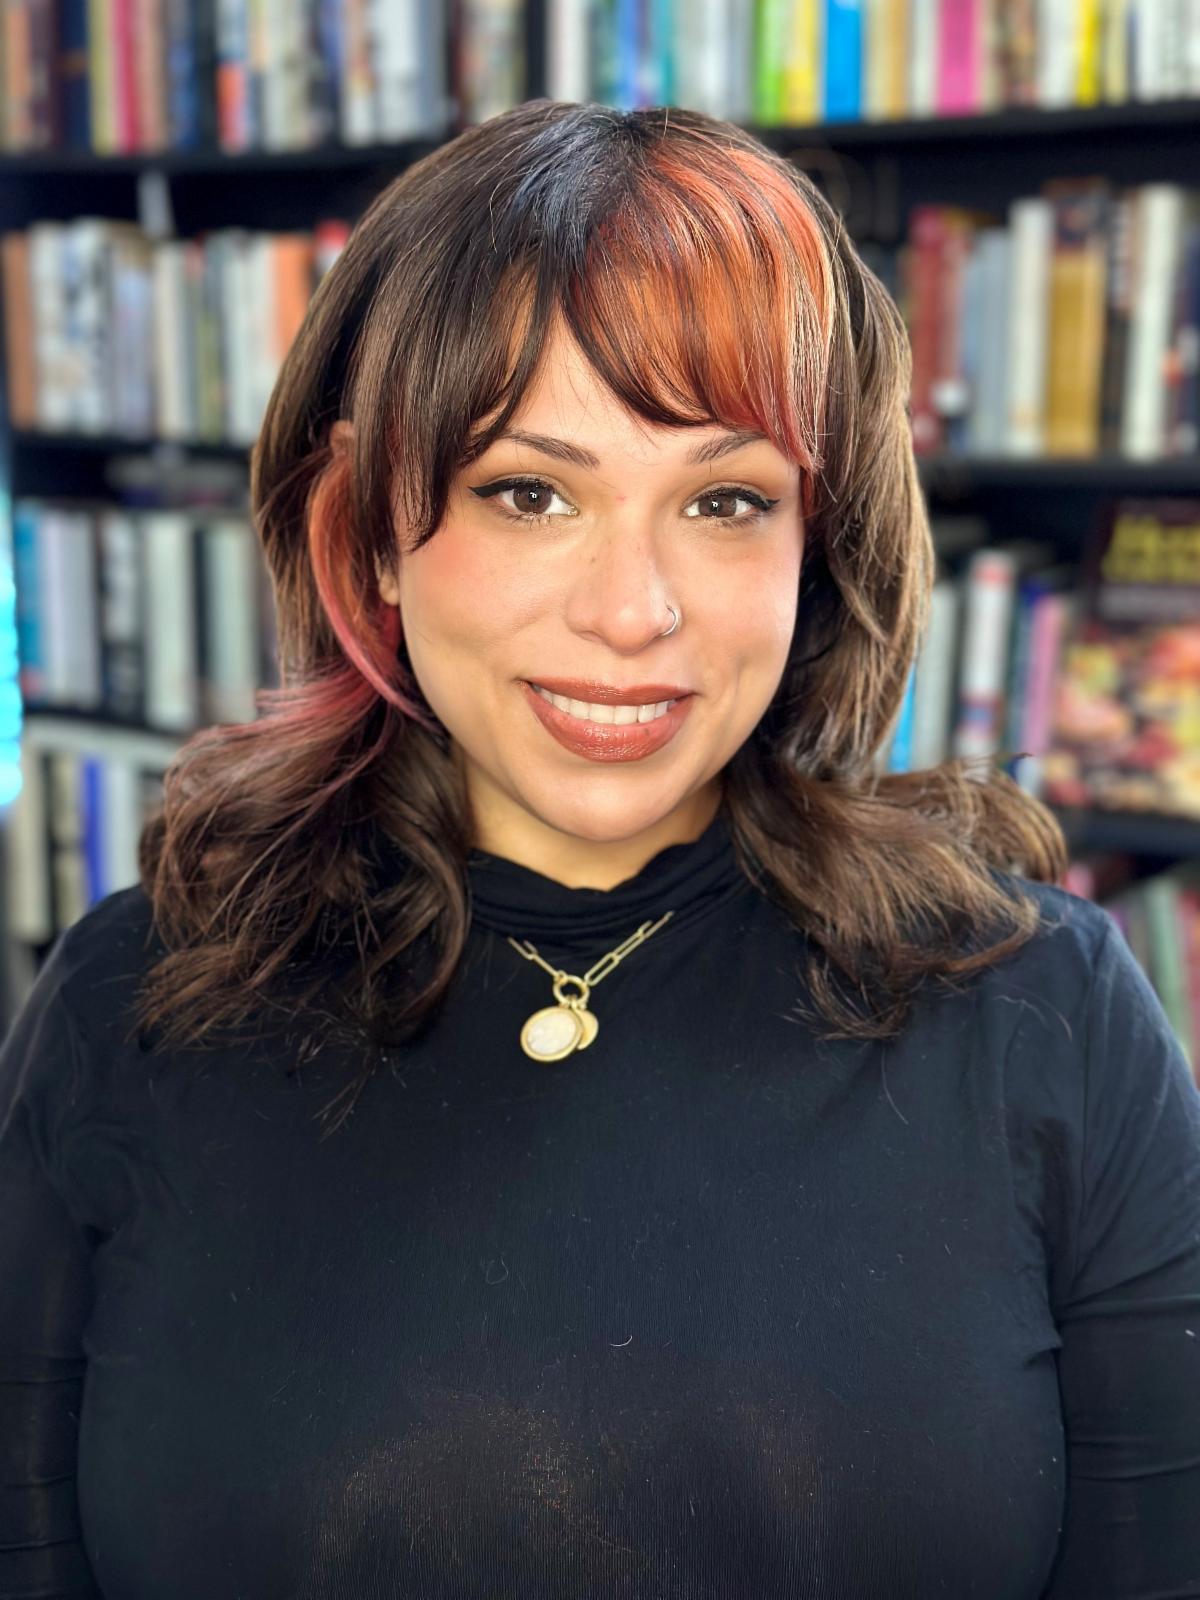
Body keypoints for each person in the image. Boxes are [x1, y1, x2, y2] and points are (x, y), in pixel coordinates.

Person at [1, 97, 1198, 1600]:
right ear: (369, 528)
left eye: (724, 499)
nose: (634, 613)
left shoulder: (1050, 1015)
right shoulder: (135, 1006)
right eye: (530, 491)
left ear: (813, 549)